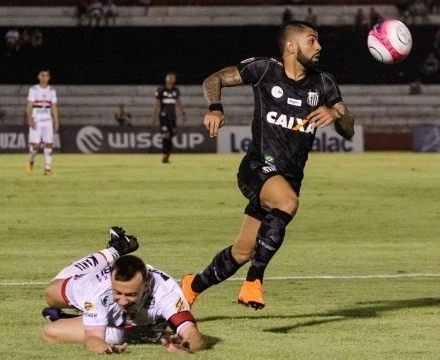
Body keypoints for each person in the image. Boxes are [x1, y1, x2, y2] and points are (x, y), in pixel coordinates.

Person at [182, 20, 355, 310]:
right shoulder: (264, 70)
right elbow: (213, 80)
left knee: (241, 251)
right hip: (257, 167)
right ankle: (254, 282)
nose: (319, 46)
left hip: (287, 178)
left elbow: (348, 129)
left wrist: (337, 115)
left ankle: (191, 286)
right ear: (291, 46)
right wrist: (215, 108)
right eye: (312, 40)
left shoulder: (324, 83)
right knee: (288, 202)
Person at [41, 226, 205, 355]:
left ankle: (85, 317)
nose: (123, 301)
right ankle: (114, 250)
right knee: (51, 295)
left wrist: (186, 347)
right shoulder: (96, 288)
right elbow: (93, 339)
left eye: (131, 294)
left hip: (132, 329)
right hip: (89, 291)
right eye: (118, 293)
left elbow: (193, 335)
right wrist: (100, 346)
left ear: (146, 286)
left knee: (51, 331)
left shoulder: (166, 291)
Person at [26, 69, 60, 176]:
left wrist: (56, 121)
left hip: (47, 122)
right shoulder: (33, 89)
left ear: (49, 78)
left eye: (46, 76)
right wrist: (30, 119)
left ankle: (47, 169)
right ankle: (30, 162)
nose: (44, 78)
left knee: (49, 145)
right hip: (36, 121)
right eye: (42, 75)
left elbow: (53, 107)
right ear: (39, 77)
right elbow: (29, 105)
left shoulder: (52, 91)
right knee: (35, 147)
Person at [150, 72, 187, 164]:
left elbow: (178, 102)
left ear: (174, 79)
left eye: (172, 78)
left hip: (172, 116)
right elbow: (157, 104)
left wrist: (183, 113)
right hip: (163, 116)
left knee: (170, 136)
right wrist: (154, 116)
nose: (171, 79)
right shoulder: (161, 90)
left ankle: (167, 155)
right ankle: (164, 155)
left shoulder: (176, 90)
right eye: (169, 77)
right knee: (165, 135)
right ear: (166, 78)